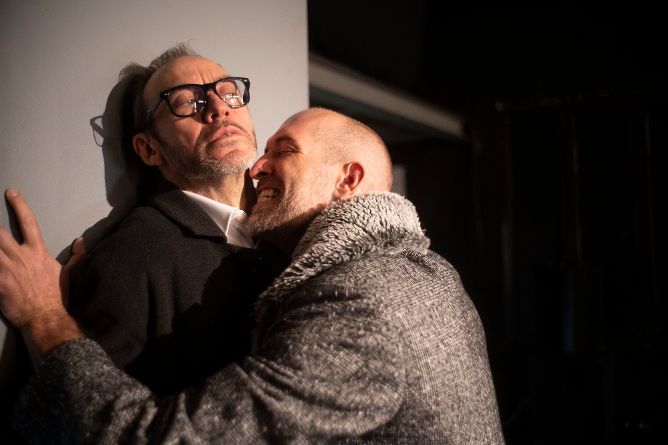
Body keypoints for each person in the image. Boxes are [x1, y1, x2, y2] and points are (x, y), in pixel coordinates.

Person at [0, 108, 505, 444]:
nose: (256, 166)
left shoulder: (360, 304)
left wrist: (44, 316)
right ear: (147, 148)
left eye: (284, 151)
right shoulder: (424, 272)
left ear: (348, 179)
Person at [65, 44, 286, 395]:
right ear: (149, 149)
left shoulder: (294, 225)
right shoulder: (129, 259)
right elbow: (95, 410)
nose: (219, 108)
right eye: (186, 102)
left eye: (229, 92)